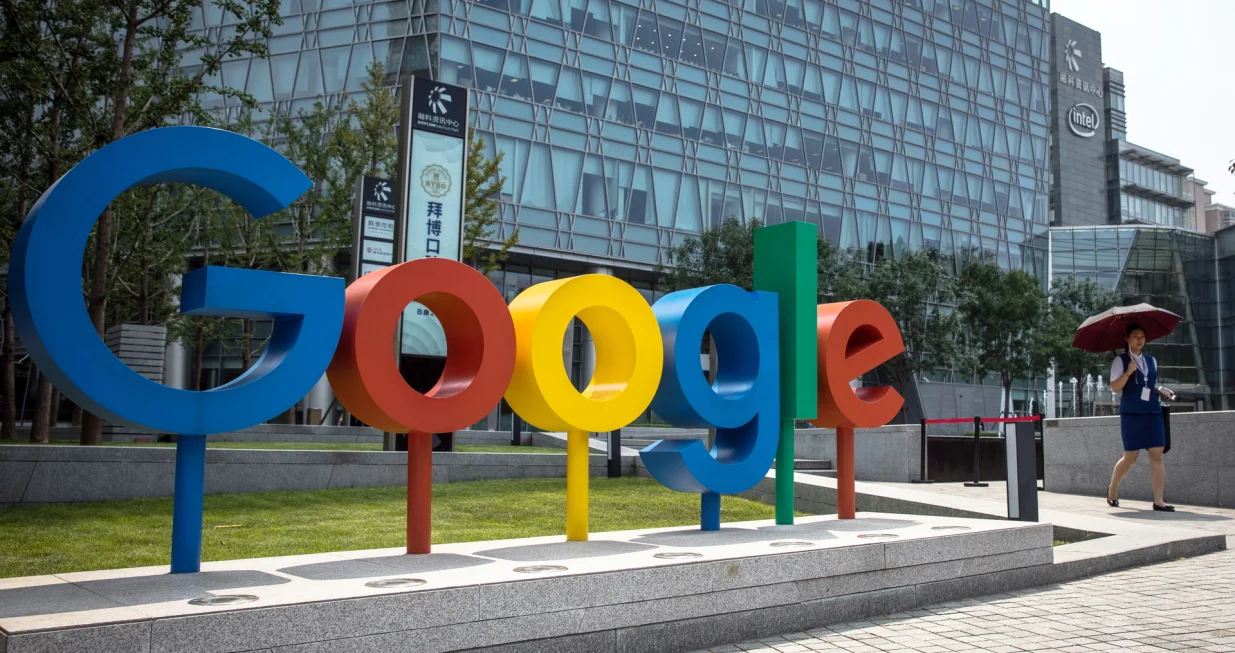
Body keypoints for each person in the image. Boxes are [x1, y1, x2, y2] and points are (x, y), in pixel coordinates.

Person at [1106, 323, 1176, 511]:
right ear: (1127, 339)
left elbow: (1147, 384)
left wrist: (1160, 389)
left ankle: (1159, 500)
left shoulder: (1151, 360)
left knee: (1157, 454)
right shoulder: (1120, 361)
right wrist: (1128, 372)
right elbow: (1114, 387)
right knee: (1131, 457)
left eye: (1142, 336)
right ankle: (1112, 488)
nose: (1139, 339)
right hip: (1132, 414)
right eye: (1135, 336)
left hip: (1153, 412)